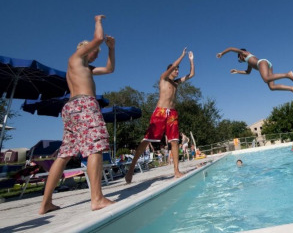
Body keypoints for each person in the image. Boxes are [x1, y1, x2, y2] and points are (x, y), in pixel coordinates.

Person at [39, 15, 115, 215]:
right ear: (86, 49)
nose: (96, 56)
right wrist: (98, 21)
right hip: (84, 105)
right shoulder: (76, 57)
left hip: (71, 108)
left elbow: (109, 69)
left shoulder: (83, 67)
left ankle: (46, 203)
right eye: (95, 52)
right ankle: (97, 198)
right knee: (95, 147)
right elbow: (98, 38)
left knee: (64, 154)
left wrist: (111, 49)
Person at [125, 48, 194, 183]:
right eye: (175, 69)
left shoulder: (176, 83)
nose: (177, 71)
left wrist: (191, 60)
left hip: (172, 114)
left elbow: (191, 74)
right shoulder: (163, 79)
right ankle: (131, 169)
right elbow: (173, 65)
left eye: (178, 69)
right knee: (147, 140)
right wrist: (182, 55)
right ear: (170, 71)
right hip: (160, 112)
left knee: (174, 141)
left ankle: (176, 171)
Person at [216, 47, 293, 99]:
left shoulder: (244, 53)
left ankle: (287, 74)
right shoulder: (249, 63)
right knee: (272, 87)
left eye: (239, 59)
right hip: (268, 65)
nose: (241, 60)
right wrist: (237, 71)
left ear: (240, 55)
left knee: (265, 79)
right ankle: (292, 88)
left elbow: (231, 49)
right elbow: (248, 72)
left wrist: (222, 53)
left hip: (262, 63)